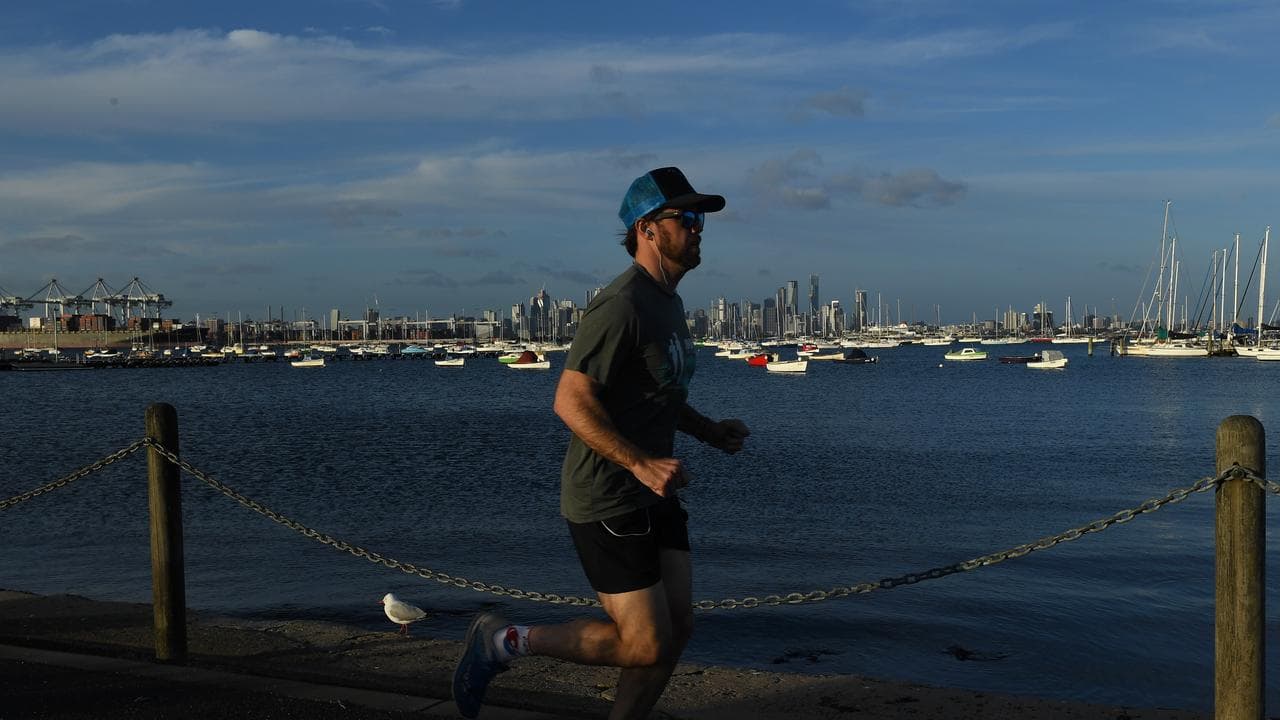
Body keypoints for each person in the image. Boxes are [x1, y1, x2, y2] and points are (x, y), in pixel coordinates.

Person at [453, 167, 751, 719]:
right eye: (685, 218)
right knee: (642, 643)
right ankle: (503, 641)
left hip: (652, 491)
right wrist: (640, 463)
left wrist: (708, 430)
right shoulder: (622, 304)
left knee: (677, 629)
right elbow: (570, 400)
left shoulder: (669, 302)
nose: (698, 227)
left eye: (701, 218)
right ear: (648, 229)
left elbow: (653, 395)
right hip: (609, 497)